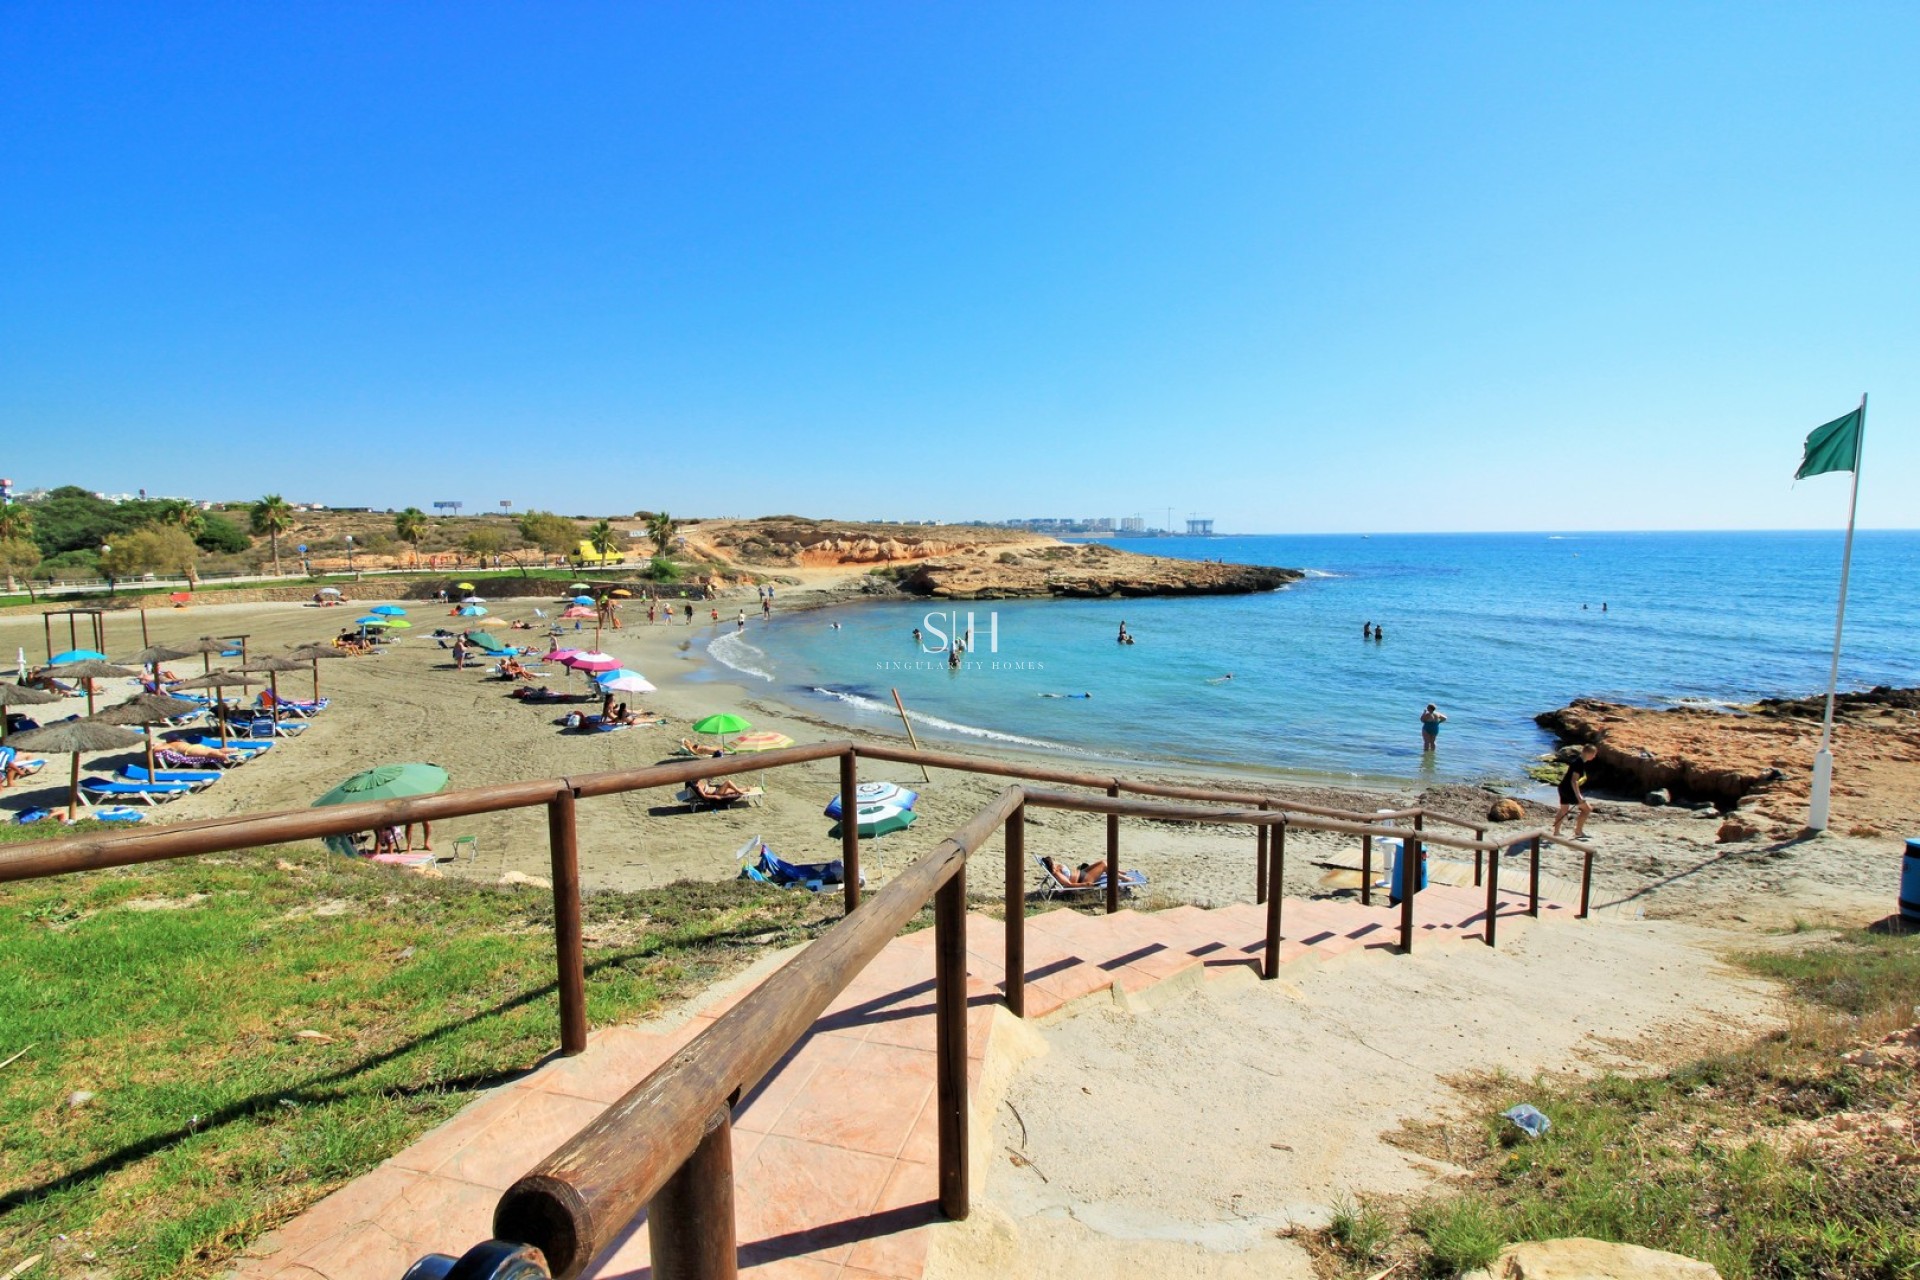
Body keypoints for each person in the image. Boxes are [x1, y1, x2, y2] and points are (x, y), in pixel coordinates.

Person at [1553, 745, 1598, 840]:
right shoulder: (1579, 763)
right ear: (1587, 753)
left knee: (1563, 810)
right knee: (1587, 809)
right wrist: (1579, 796)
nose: (1594, 757)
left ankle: (1556, 832)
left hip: (1563, 787)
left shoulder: (1578, 761)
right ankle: (1578, 831)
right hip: (1569, 790)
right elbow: (1574, 781)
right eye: (1593, 754)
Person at [1040, 856, 1109, 887]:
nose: (1055, 863)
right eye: (1053, 863)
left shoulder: (1057, 868)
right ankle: (1120, 877)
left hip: (1082, 872)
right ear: (1051, 865)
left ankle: (1119, 875)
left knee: (1103, 862)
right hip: (1083, 880)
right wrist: (1085, 884)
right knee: (1104, 865)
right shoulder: (1057, 874)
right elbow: (1069, 884)